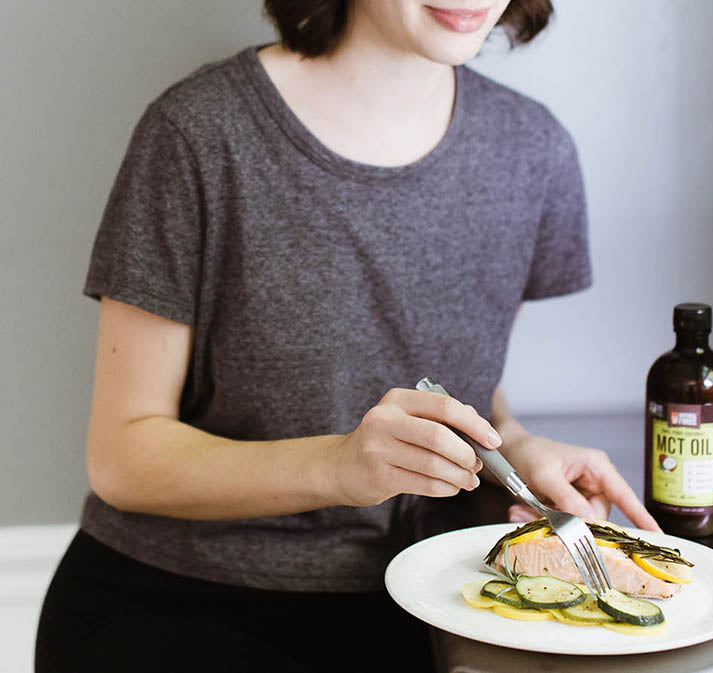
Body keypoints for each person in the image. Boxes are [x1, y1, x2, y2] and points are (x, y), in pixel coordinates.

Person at [35, 1, 660, 671]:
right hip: (183, 600)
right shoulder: (198, 132)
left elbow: (448, 369)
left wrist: (513, 448)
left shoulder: (532, 149)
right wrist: (338, 465)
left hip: (426, 600)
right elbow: (122, 456)